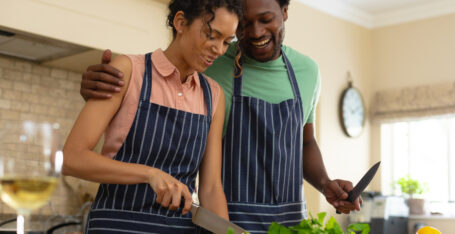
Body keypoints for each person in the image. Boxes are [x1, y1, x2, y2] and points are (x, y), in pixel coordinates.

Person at [80, 0, 362, 233]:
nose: (255, 32)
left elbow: (305, 142)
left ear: (285, 12)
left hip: (289, 224)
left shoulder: (307, 72)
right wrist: (103, 86)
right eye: (245, 25)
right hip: (225, 220)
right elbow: (159, 77)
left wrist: (326, 184)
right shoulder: (209, 65)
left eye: (266, 19)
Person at [62, 0, 241, 233]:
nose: (219, 49)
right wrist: (149, 174)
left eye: (227, 42)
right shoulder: (129, 70)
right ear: (180, 22)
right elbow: (71, 158)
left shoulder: (214, 95)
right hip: (117, 226)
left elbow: (211, 188)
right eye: (212, 35)